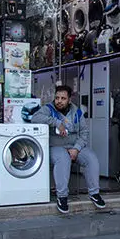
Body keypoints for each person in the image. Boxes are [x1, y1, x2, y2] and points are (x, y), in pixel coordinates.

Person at [32, 85, 105, 213]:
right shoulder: (48, 109)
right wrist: (56, 122)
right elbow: (35, 118)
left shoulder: (77, 111)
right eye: (57, 98)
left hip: (74, 145)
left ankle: (94, 193)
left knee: (91, 158)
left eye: (63, 98)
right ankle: (62, 196)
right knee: (63, 159)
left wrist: (76, 149)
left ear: (69, 100)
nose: (59, 101)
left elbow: (84, 133)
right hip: (55, 146)